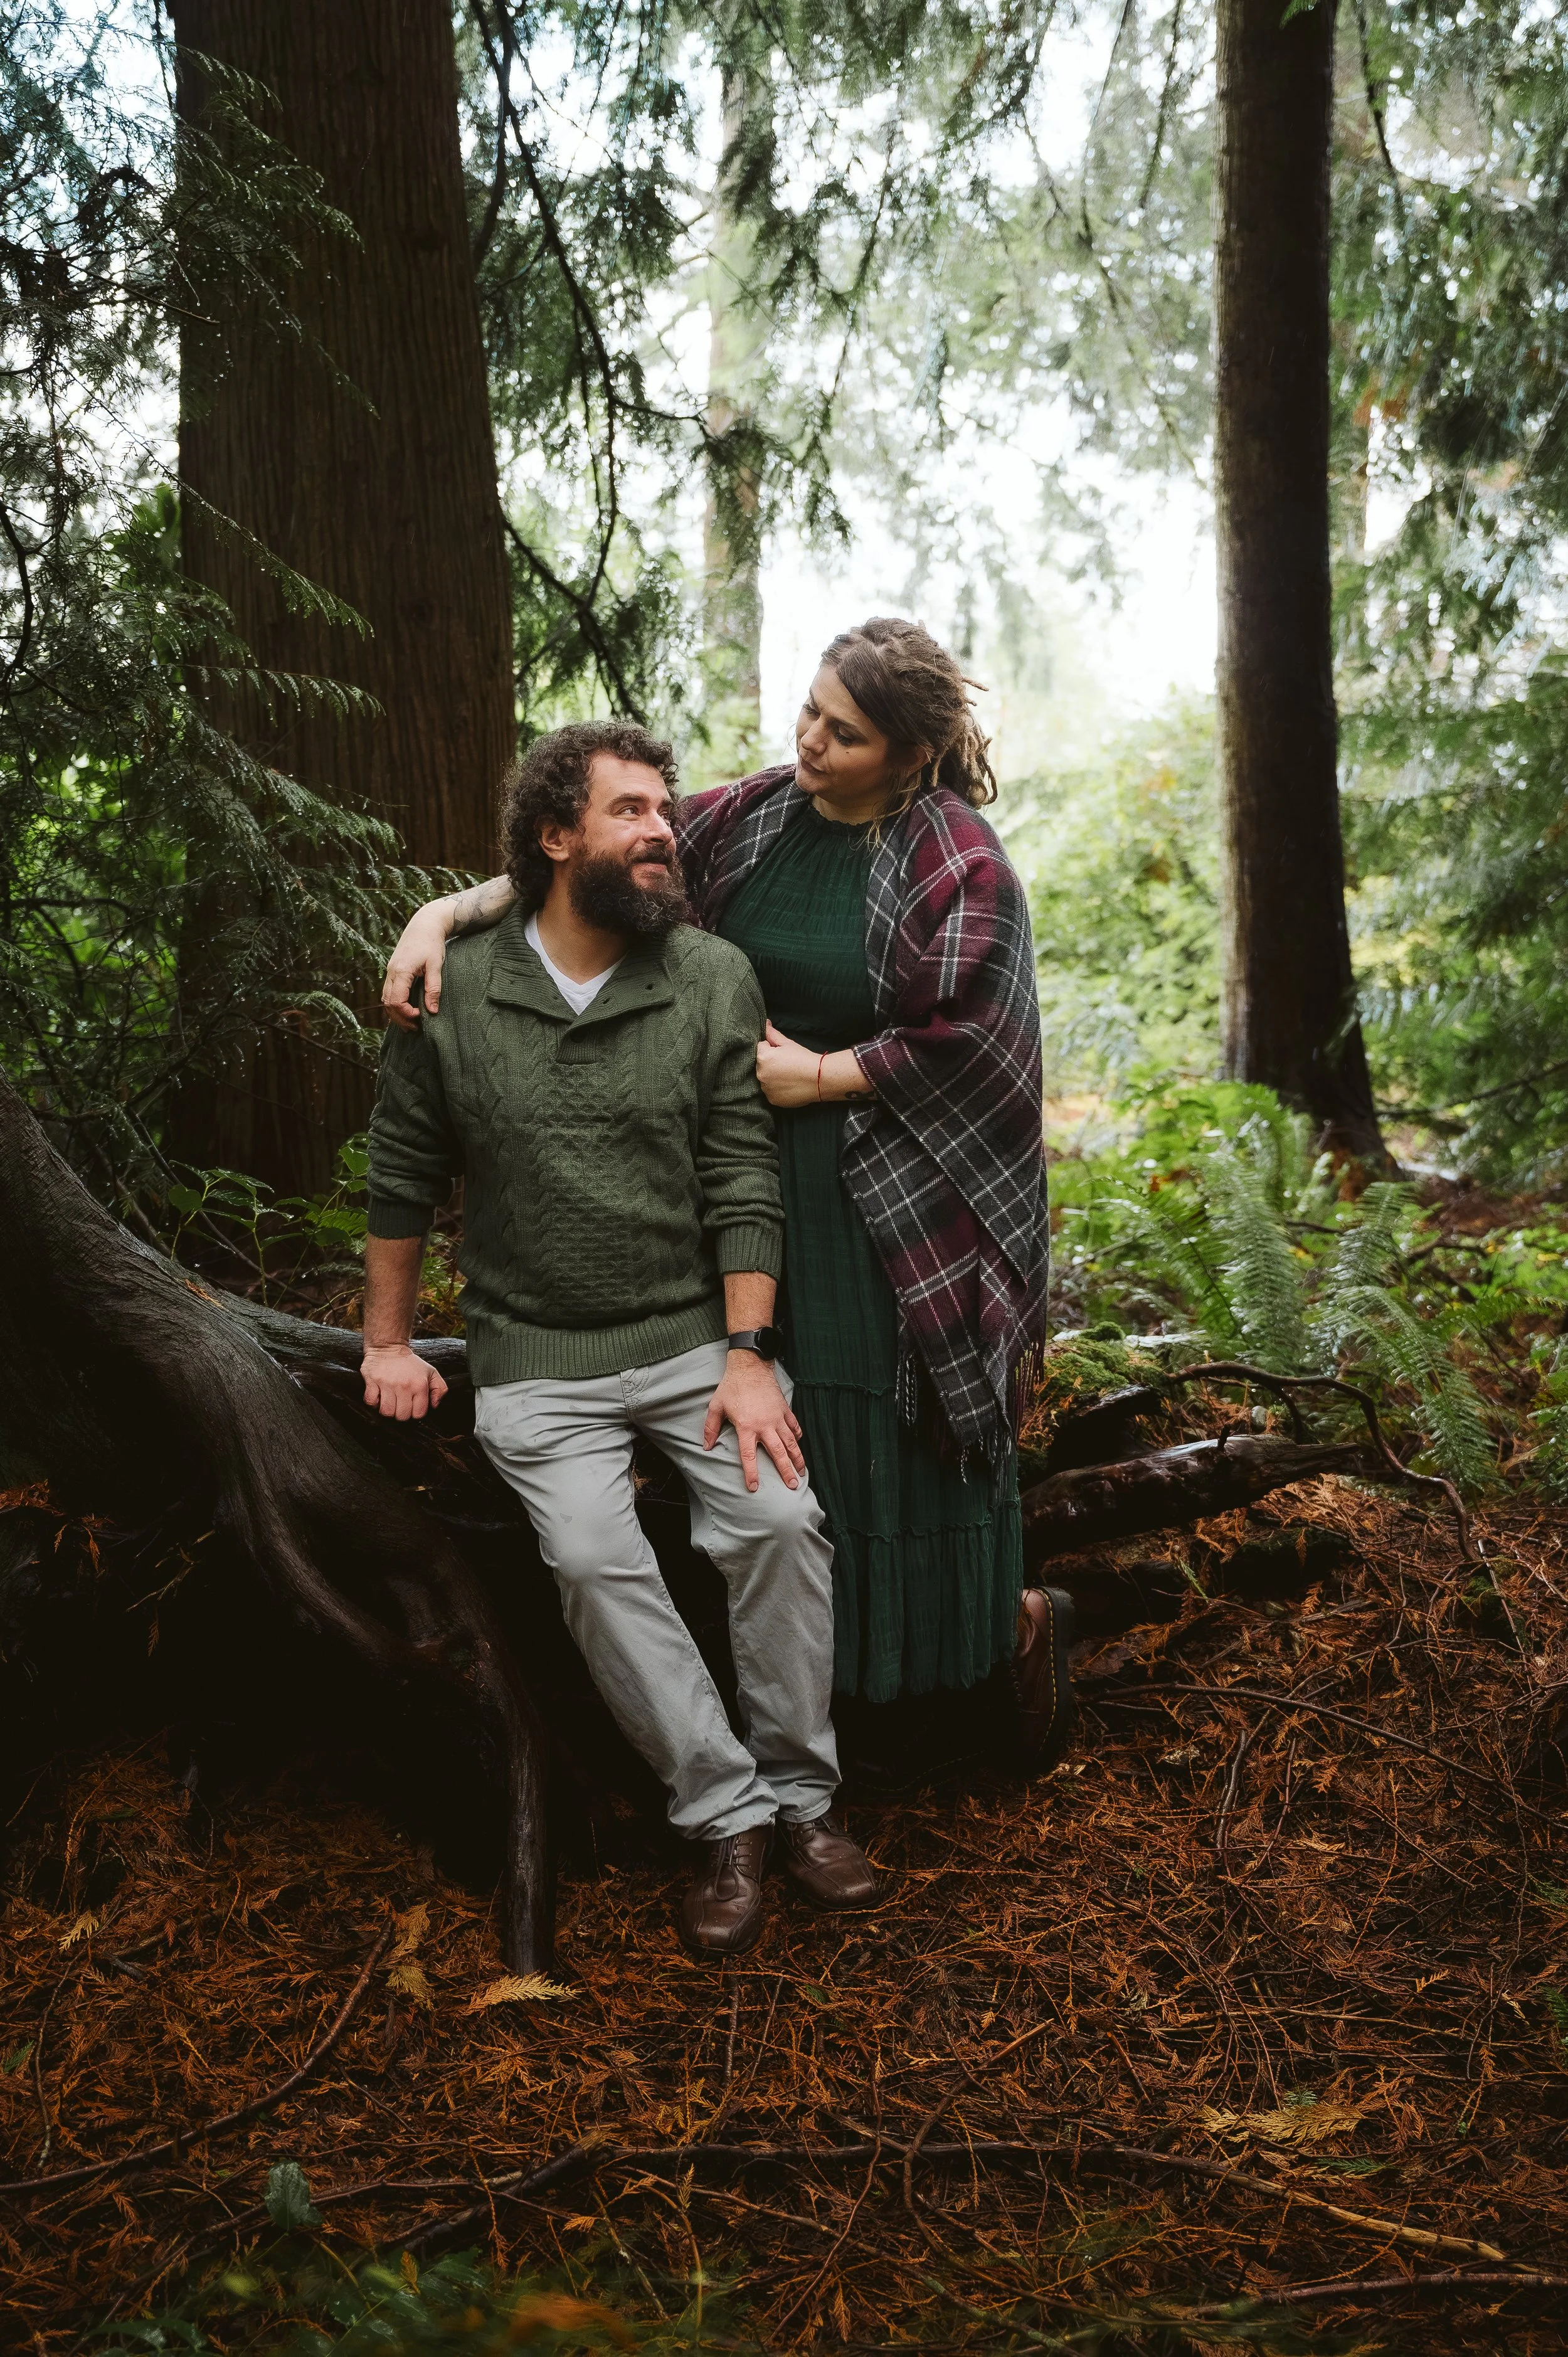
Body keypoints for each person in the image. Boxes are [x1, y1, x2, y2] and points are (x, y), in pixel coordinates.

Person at [384, 618, 1073, 1758]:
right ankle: (840, 1706)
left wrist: (819, 1075)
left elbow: (977, 1039)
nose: (809, 741)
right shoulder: (752, 816)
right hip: (748, 1187)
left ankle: (988, 1660)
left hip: (894, 1195)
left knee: (883, 1430)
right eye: (809, 710)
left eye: (843, 734)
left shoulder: (958, 858)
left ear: (907, 755)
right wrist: (443, 914)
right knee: (785, 1448)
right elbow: (588, 864)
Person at [361, 719, 880, 1959]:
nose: (663, 829)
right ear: (554, 837)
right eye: (630, 811)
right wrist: (386, 1339)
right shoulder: (456, 985)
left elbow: (741, 1175)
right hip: (535, 1355)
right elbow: (401, 1173)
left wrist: (749, 1353)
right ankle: (722, 1813)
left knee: (773, 1520)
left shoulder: (706, 976)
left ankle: (804, 1801)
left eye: (664, 809)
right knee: (594, 1561)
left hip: (696, 1337)